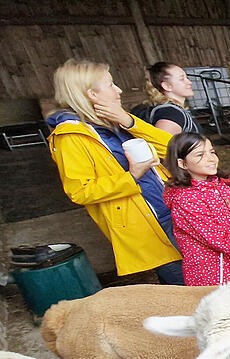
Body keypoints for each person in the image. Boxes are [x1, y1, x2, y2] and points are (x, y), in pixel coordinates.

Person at [47, 59, 183, 284]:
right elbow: (80, 191)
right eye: (111, 85)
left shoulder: (115, 122)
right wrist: (131, 177)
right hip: (147, 222)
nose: (119, 90)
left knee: (203, 269)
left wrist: (129, 121)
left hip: (170, 206)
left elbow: (171, 147)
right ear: (92, 94)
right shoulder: (70, 137)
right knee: (182, 282)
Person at [163, 132, 230, 286]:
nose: (211, 158)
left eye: (211, 152)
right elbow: (227, 243)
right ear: (182, 164)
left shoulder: (220, 187)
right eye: (200, 155)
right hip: (213, 279)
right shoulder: (185, 200)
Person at [142, 62, 201, 135]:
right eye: (182, 79)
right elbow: (164, 144)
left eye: (187, 78)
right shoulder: (171, 113)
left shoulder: (175, 110)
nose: (189, 82)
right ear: (167, 86)